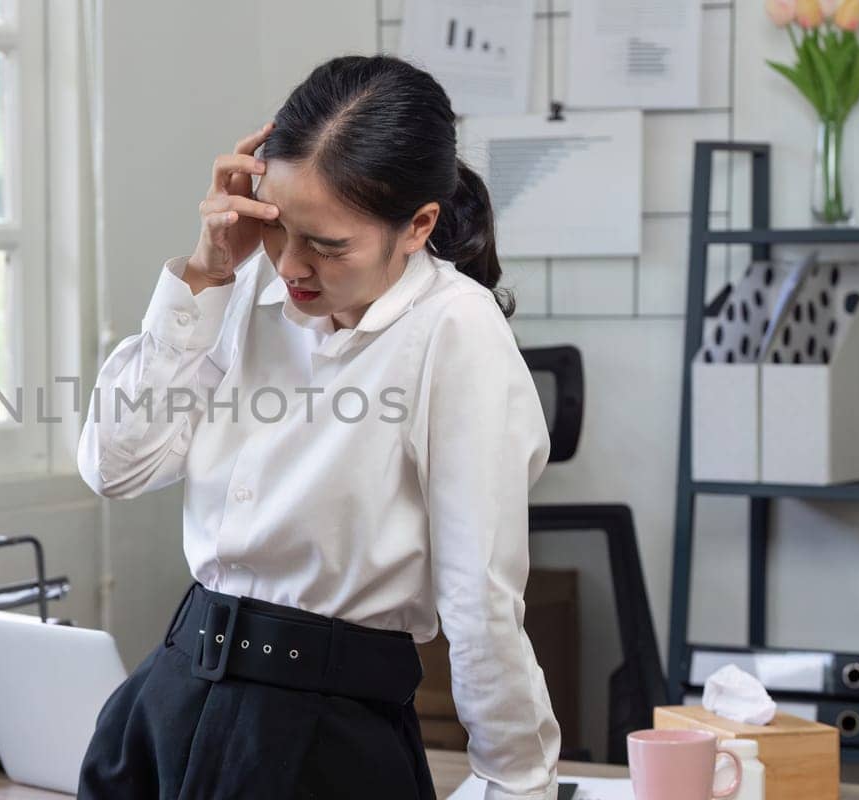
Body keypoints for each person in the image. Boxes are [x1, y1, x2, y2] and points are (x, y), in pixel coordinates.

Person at [74, 54, 560, 800]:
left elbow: (480, 592)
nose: (293, 265)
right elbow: (115, 467)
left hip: (320, 739)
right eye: (279, 227)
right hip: (167, 703)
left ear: (417, 225)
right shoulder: (243, 286)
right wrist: (203, 280)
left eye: (328, 245)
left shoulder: (454, 330)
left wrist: (515, 779)